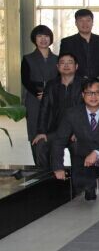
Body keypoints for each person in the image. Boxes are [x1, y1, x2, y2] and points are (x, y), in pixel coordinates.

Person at [51, 78, 99, 207]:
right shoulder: (72, 114)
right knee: (80, 183)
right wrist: (58, 167)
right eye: (89, 93)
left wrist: (97, 153)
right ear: (83, 95)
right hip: (83, 154)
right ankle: (89, 187)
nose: (93, 97)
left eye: (97, 93)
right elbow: (59, 141)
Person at [32, 53, 82, 170]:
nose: (66, 65)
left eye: (70, 62)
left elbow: (90, 110)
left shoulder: (84, 85)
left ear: (76, 66)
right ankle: (46, 178)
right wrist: (41, 132)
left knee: (78, 147)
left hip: (77, 132)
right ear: (58, 67)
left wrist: (81, 131)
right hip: (56, 131)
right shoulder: (51, 85)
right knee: (40, 144)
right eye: (62, 63)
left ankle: (77, 180)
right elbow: (44, 109)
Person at [22, 25, 59, 165]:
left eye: (46, 36)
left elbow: (60, 79)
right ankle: (39, 167)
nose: (43, 39)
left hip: (53, 99)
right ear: (34, 39)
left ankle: (52, 168)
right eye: (39, 36)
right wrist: (38, 93)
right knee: (35, 131)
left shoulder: (58, 59)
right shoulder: (28, 58)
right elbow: (25, 80)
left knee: (52, 132)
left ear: (51, 39)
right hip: (34, 99)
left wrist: (49, 94)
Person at [59, 8, 99, 79]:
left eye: (88, 20)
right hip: (75, 82)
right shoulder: (67, 42)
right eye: (81, 20)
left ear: (92, 22)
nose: (85, 23)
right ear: (76, 23)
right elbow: (63, 65)